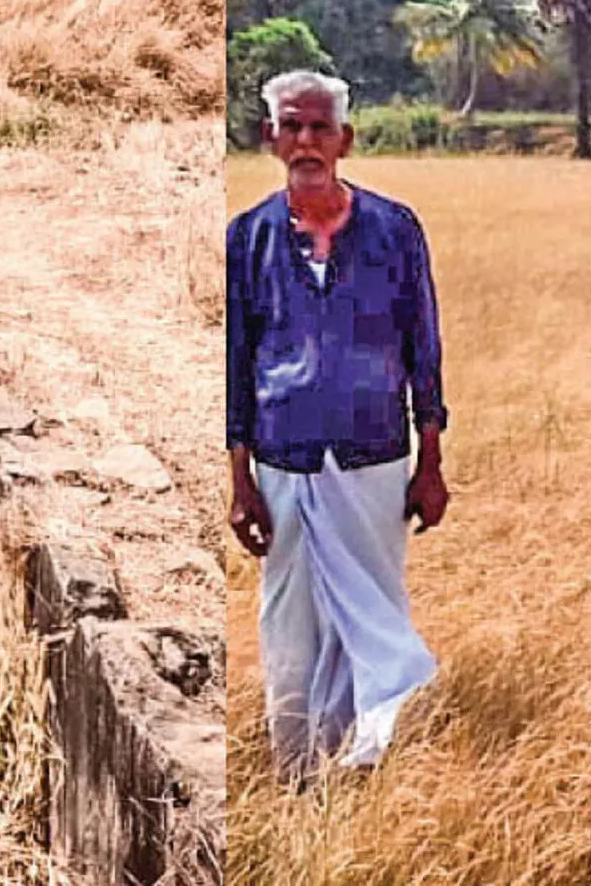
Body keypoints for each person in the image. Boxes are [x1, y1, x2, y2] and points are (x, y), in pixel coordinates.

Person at [225, 69, 450, 785]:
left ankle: (364, 757)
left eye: (321, 127)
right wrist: (240, 480)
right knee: (291, 620)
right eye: (292, 126)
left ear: (345, 139)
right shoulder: (248, 238)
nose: (306, 141)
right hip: (283, 458)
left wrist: (431, 460)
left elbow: (424, 350)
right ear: (270, 137)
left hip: (374, 456)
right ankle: (296, 768)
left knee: (373, 613)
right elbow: (235, 363)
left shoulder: (395, 230)